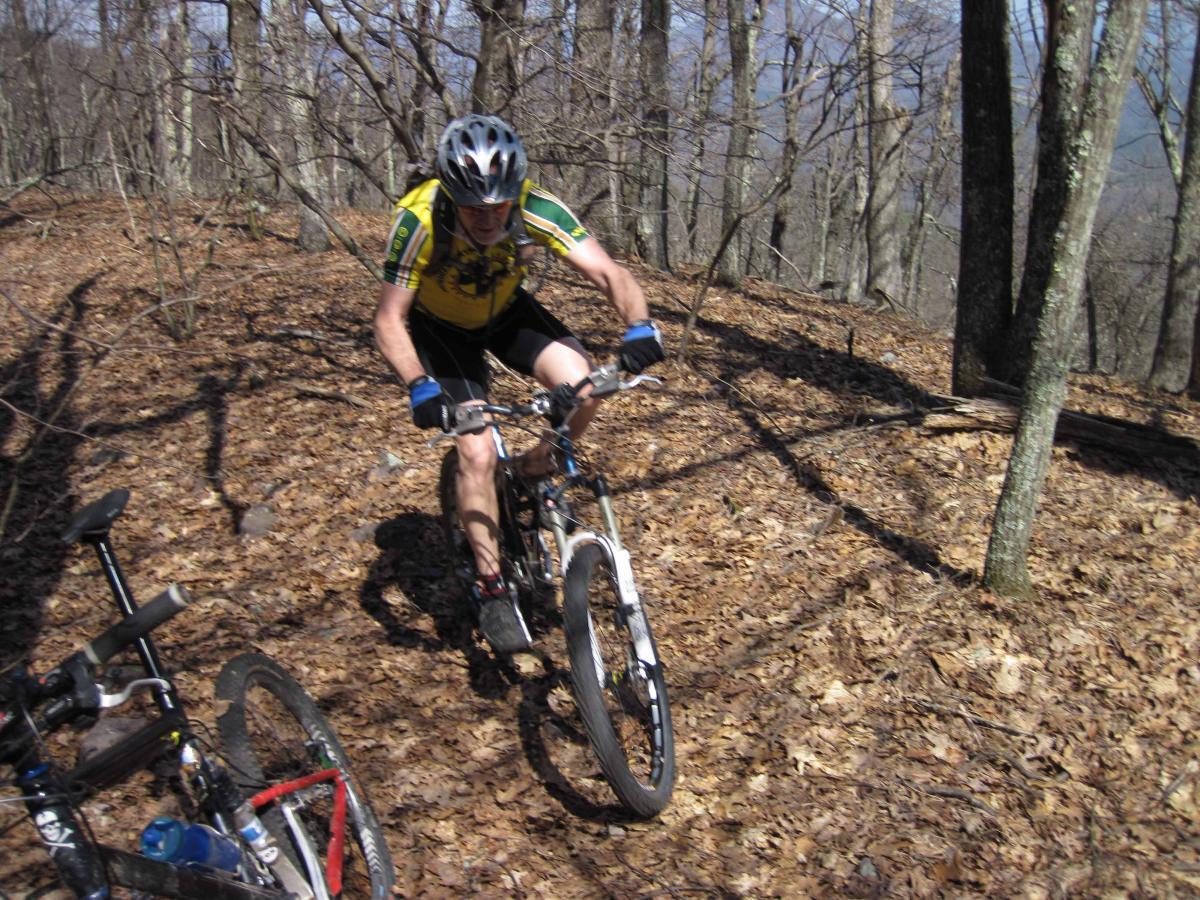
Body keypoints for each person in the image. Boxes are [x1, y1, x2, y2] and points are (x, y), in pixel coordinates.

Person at [373, 114, 664, 654]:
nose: (487, 219)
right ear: (451, 194)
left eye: (498, 206)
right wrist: (418, 383)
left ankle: (536, 463)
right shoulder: (418, 219)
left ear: (514, 193)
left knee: (585, 383)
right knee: (477, 452)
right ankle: (490, 585)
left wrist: (639, 324)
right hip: (441, 332)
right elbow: (389, 319)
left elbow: (608, 273)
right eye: (473, 208)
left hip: (507, 313)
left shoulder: (536, 205)